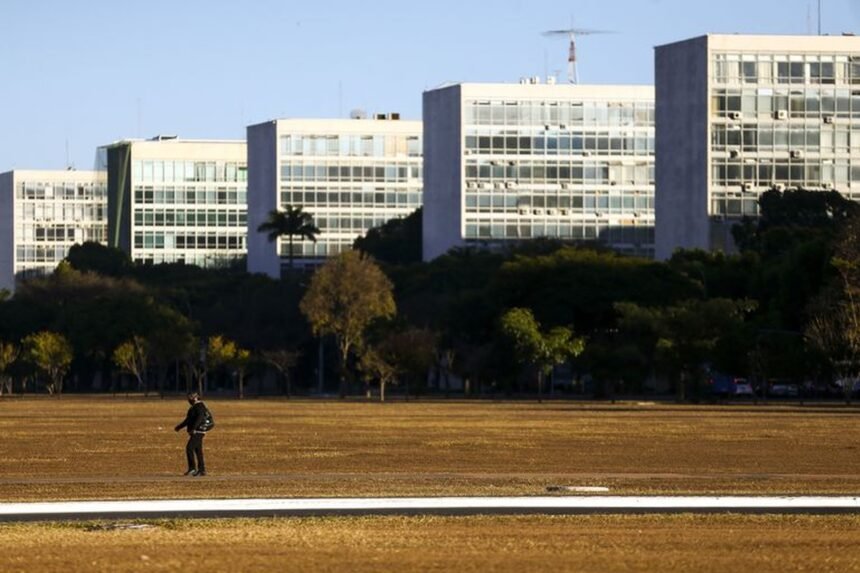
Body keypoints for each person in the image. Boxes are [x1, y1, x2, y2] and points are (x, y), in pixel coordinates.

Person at [174, 392, 210, 476]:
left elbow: (200, 418)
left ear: (196, 398)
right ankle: (202, 470)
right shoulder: (193, 407)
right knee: (198, 451)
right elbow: (188, 420)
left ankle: (192, 468)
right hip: (195, 431)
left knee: (189, 448)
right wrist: (179, 427)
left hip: (198, 431)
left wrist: (193, 428)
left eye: (191, 398)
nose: (189, 400)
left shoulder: (200, 406)